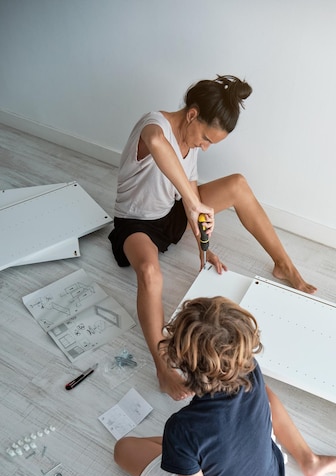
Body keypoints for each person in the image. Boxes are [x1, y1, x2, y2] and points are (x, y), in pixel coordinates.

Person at [109, 74, 316, 401]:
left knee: (237, 184)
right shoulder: (155, 125)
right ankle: (163, 369)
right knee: (150, 274)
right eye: (205, 138)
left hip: (173, 212)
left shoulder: (191, 140)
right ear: (192, 114)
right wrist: (193, 203)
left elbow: (190, 194)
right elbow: (159, 145)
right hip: (137, 224)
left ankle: (284, 265)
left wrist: (205, 247)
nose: (204, 146)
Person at [114, 296, 336, 476]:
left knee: (123, 449)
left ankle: (184, 460)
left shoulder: (181, 428)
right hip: (272, 475)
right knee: (262, 393)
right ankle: (309, 459)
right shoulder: (250, 369)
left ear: (182, 363)